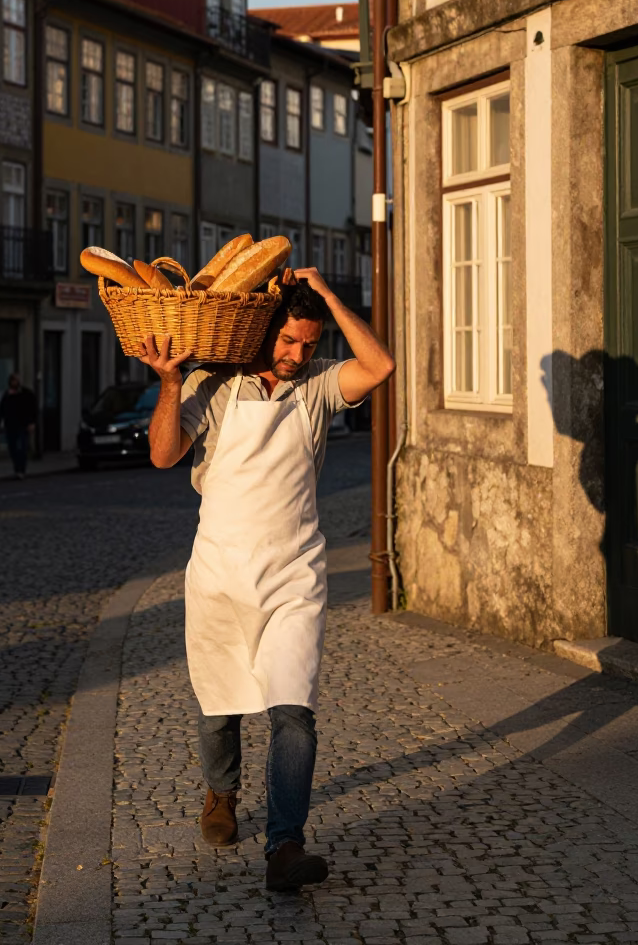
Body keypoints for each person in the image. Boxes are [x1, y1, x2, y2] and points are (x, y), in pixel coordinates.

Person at [140, 266, 395, 892]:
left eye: (308, 344)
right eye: (288, 341)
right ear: (263, 334)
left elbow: (381, 366)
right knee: (219, 700)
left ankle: (285, 844)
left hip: (293, 573)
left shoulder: (317, 389)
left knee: (294, 710)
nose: (297, 355)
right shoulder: (215, 386)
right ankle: (221, 794)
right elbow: (163, 454)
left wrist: (331, 297)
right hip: (221, 567)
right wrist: (171, 384)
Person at [0, 373, 37, 478]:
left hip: (23, 425)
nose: (15, 383)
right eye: (13, 381)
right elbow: (1, 409)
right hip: (10, 425)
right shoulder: (7, 395)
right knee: (12, 448)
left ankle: (21, 470)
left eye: (16, 380)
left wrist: (32, 422)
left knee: (22, 447)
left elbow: (33, 408)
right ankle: (16, 468)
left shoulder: (26, 394)